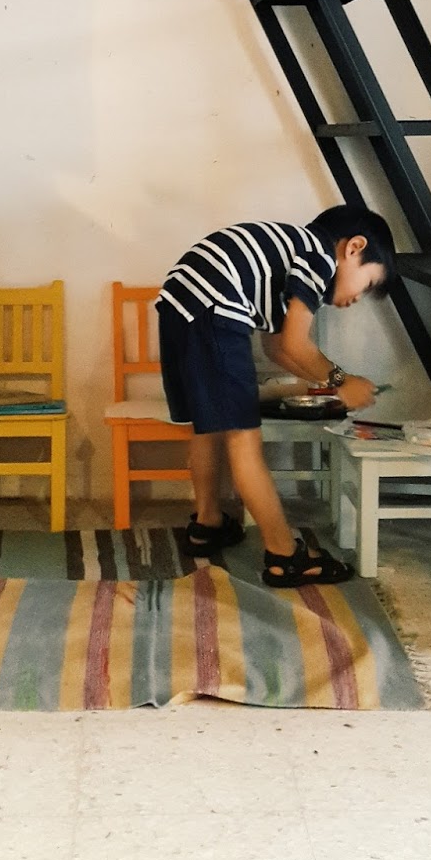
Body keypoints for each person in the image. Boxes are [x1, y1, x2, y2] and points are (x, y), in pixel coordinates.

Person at [157, 203, 396, 586]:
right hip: (215, 306)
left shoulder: (287, 254)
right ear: (353, 248)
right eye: (366, 285)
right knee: (244, 440)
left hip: (179, 303)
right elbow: (296, 346)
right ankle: (284, 555)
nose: (356, 299)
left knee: (207, 426)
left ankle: (207, 524)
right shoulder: (319, 256)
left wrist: (326, 384)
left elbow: (278, 349)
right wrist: (342, 380)